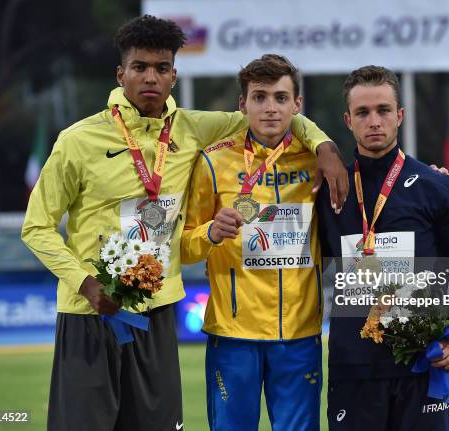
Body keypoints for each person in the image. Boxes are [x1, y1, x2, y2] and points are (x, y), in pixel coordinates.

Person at [21, 15, 347, 431]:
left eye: (161, 68)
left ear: (174, 75)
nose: (150, 77)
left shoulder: (195, 128)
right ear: (121, 74)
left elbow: (275, 117)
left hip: (158, 311)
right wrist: (85, 283)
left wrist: (324, 144)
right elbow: (35, 227)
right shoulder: (78, 140)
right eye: (139, 67)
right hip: (92, 311)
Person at [317, 66, 449, 431]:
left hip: (421, 364)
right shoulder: (331, 192)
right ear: (348, 121)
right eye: (363, 113)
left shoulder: (436, 187)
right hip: (354, 370)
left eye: (383, 110)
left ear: (400, 115)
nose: (374, 121)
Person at [181, 54, 323, 431]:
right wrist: (210, 232)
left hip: (299, 334)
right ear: (242, 104)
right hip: (233, 336)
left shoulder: (318, 161)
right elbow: (180, 246)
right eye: (259, 97)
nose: (270, 108)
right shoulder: (212, 162)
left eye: (280, 98)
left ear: (297, 105)